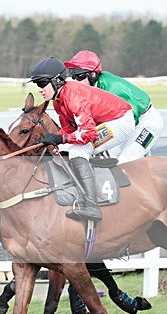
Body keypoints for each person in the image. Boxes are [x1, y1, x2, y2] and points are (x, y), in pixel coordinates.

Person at [28, 57, 135, 221]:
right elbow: (69, 129)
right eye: (37, 85)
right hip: (106, 121)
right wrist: (53, 139)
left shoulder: (73, 96)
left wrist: (60, 138)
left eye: (42, 84)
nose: (40, 89)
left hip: (120, 121)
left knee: (80, 150)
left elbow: (88, 134)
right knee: (63, 149)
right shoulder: (58, 101)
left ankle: (92, 206)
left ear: (57, 80)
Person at [65, 50, 164, 163]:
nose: (75, 80)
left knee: (126, 162)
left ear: (93, 74)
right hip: (122, 123)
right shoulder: (89, 87)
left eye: (79, 76)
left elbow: (129, 121)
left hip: (146, 123)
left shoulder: (114, 88)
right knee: (106, 156)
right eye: (72, 75)